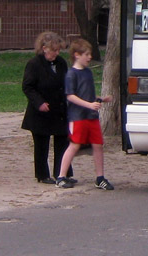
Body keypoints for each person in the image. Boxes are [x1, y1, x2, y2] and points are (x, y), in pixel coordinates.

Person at [55, 39, 113, 190]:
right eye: (86, 54)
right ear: (77, 55)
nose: (89, 57)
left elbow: (88, 95)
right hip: (77, 117)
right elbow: (70, 96)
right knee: (75, 145)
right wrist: (88, 105)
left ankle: (100, 177)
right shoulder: (71, 74)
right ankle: (61, 176)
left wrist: (101, 100)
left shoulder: (88, 72)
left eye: (89, 54)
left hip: (91, 116)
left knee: (98, 145)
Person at [21, 31, 74, 185]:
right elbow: (27, 86)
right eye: (53, 50)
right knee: (41, 144)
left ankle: (62, 173)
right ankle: (42, 175)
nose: (56, 54)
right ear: (44, 48)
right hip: (41, 112)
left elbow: (66, 82)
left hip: (59, 110)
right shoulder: (34, 64)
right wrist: (39, 102)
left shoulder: (61, 63)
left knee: (62, 143)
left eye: (58, 50)